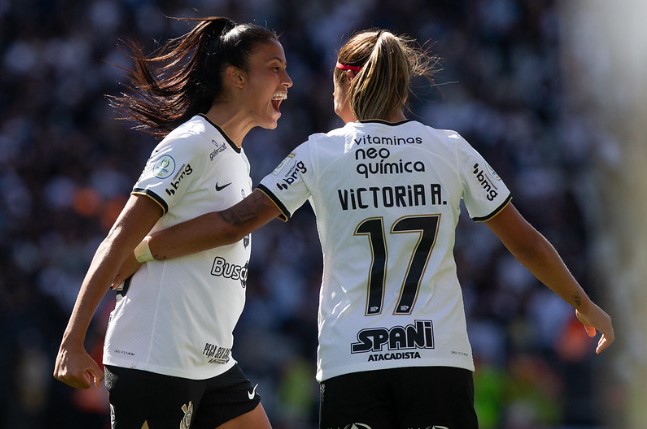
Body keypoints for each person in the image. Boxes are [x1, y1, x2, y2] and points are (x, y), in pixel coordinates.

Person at [117, 29, 614, 429]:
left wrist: (142, 250)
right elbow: (523, 238)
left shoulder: (319, 152)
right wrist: (580, 301)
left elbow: (235, 221)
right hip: (438, 359)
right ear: (403, 85)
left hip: (354, 363)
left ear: (343, 79)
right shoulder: (451, 148)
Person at [53, 16, 292, 429]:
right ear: (235, 77)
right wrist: (72, 342)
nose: (287, 80)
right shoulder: (192, 141)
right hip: (156, 358)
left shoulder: (237, 158)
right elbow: (118, 239)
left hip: (210, 363)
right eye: (274, 68)